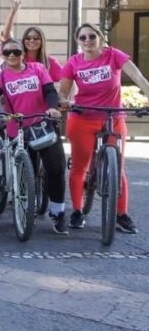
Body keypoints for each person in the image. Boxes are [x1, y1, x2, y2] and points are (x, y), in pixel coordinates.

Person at [60, 23, 149, 234]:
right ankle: (77, 211)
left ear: (100, 37)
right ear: (78, 41)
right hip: (82, 117)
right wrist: (65, 102)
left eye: (92, 36)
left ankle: (121, 214)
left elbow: (138, 77)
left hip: (113, 117)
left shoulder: (114, 55)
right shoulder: (74, 62)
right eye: (83, 38)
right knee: (79, 166)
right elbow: (63, 91)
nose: (87, 41)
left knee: (118, 166)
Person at [0, 38, 68, 234]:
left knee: (56, 168)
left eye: (16, 51)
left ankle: (58, 212)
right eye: (7, 52)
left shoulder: (37, 69)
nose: (12, 55)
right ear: (3, 56)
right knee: (26, 173)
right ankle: (28, 210)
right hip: (18, 129)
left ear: (23, 54)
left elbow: (49, 91)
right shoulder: (1, 77)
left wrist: (52, 108)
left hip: (43, 125)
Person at [0, 0, 64, 82]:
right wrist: (13, 12)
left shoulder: (50, 61)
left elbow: (66, 78)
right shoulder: (18, 56)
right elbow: (6, 36)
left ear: (42, 41)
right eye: (28, 38)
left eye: (36, 38)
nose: (32, 40)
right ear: (23, 40)